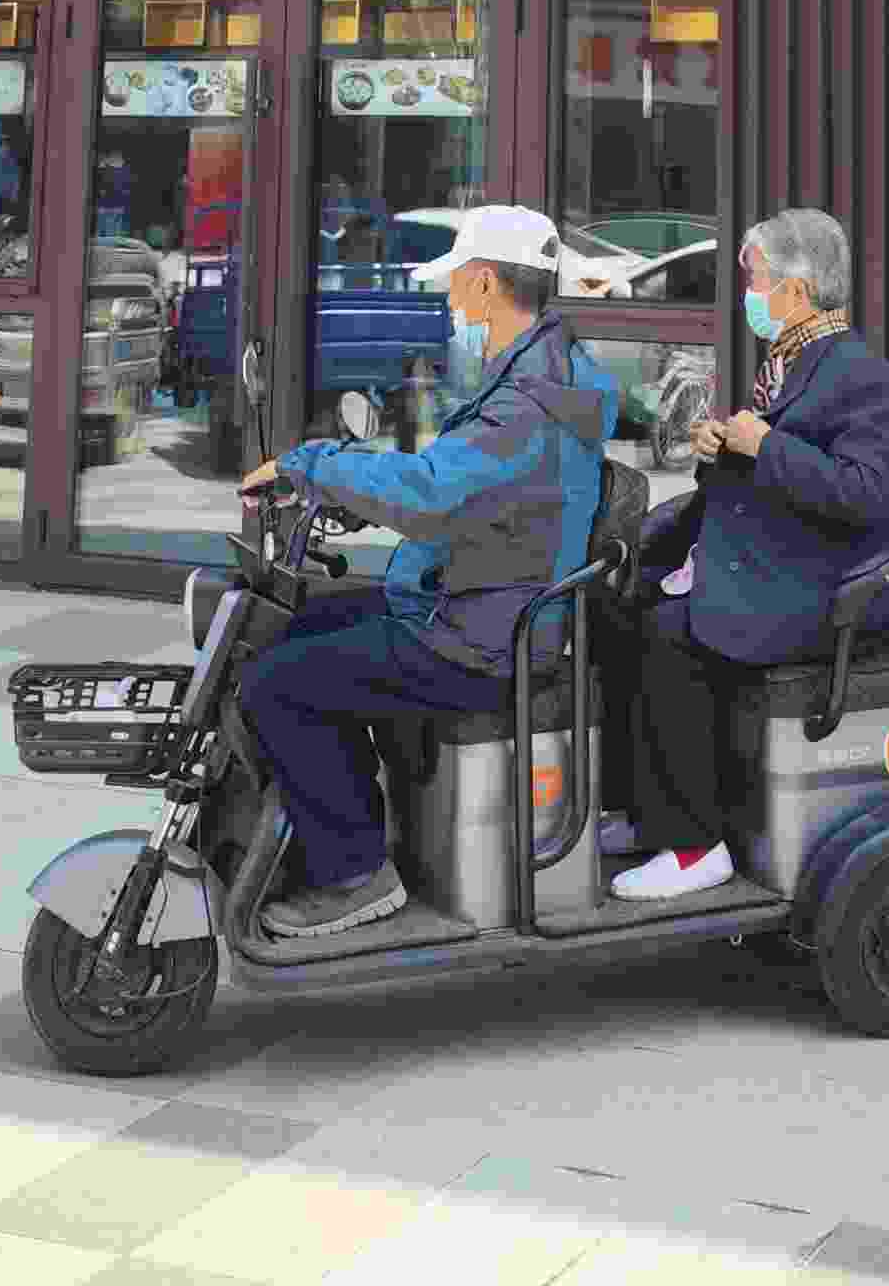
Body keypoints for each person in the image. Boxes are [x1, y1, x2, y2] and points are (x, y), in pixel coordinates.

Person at [234, 206, 621, 938]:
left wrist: (308, 465)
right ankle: (339, 822)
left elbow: (433, 494)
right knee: (301, 624)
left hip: (482, 637)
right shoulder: (547, 373)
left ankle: (354, 873)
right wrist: (350, 498)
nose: (448, 298)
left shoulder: (525, 403)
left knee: (277, 684)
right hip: (484, 604)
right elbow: (480, 494)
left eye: (455, 282)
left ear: (485, 284)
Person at [593, 207, 889, 902]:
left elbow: (864, 493)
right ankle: (646, 811)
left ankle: (695, 847)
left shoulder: (860, 373)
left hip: (818, 588)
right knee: (615, 607)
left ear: (796, 290)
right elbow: (771, 470)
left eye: (756, 279)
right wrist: (722, 449)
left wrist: (763, 444)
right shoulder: (792, 361)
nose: (748, 294)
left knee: (670, 635)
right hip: (768, 560)